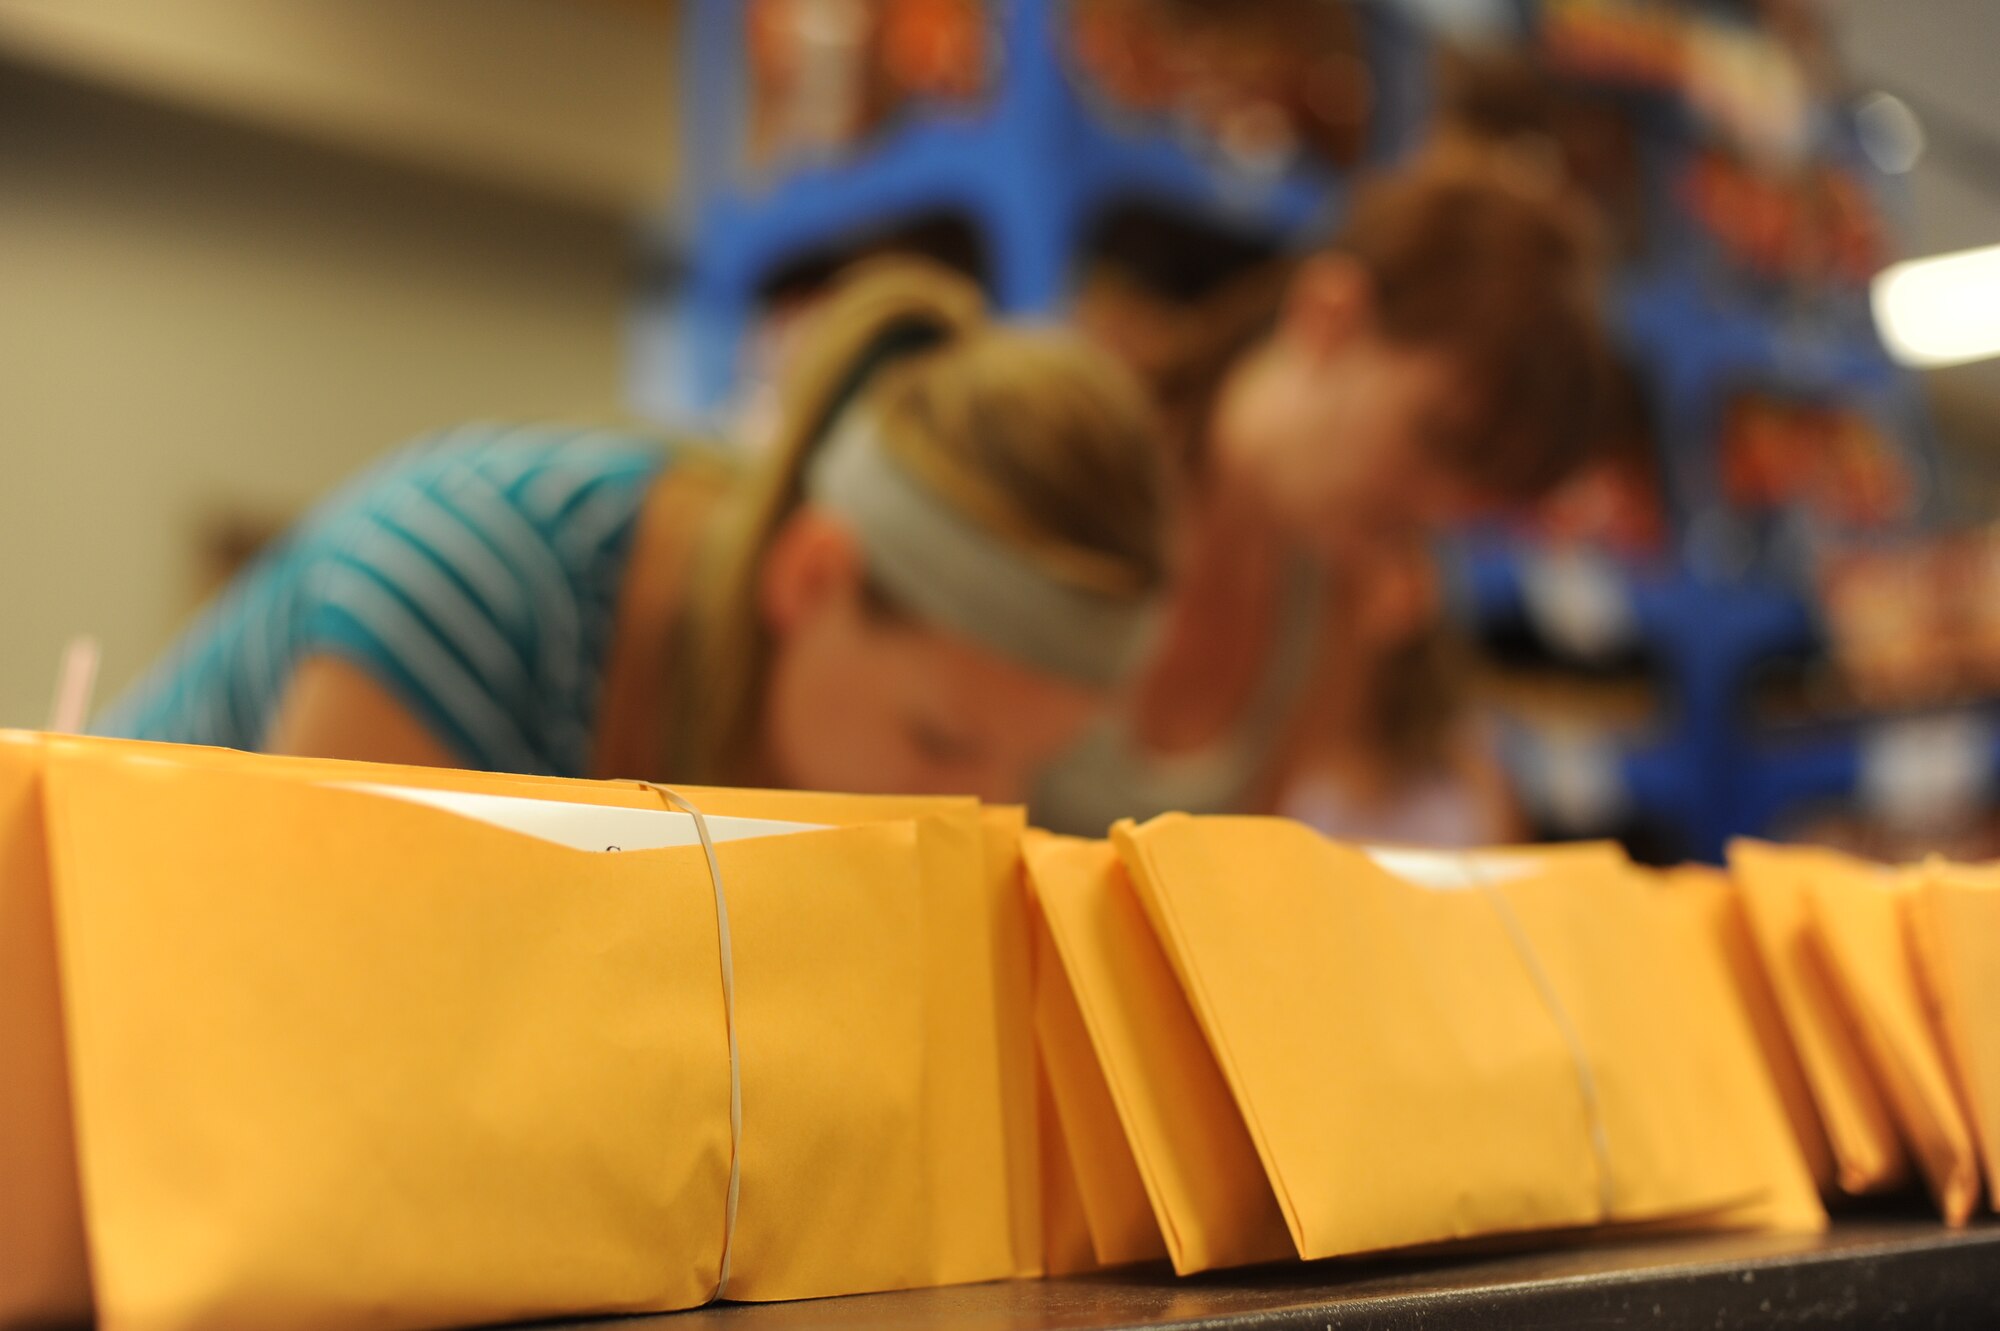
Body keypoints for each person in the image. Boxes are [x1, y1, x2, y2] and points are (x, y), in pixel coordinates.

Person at [97, 260, 1176, 804]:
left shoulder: (817, 739)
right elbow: (307, 1028)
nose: (978, 816)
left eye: (1026, 768)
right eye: (940, 743)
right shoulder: (472, 581)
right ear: (810, 575)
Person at [1037, 146, 1606, 835]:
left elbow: (1238, 859)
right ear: (1330, 312)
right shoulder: (1070, 452)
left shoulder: (1335, 596)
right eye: (1435, 439)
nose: (1436, 509)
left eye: (1477, 493)